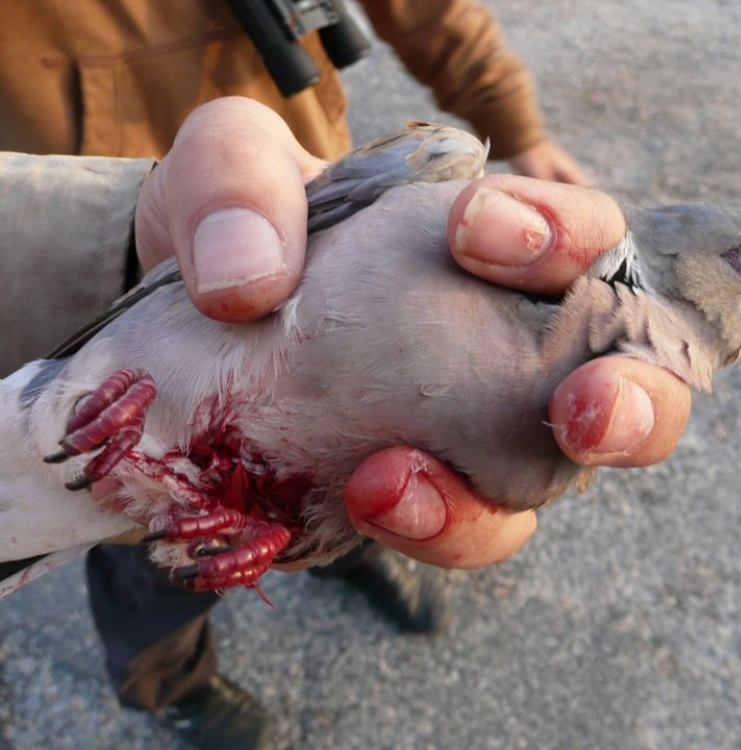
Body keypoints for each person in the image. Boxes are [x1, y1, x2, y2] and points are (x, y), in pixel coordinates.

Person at [0, 4, 686, 748]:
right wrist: (113, 255)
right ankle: (170, 684)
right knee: (152, 554)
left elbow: (428, 10)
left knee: (398, 440)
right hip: (134, 206)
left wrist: (517, 126)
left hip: (304, 183)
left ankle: (347, 551)